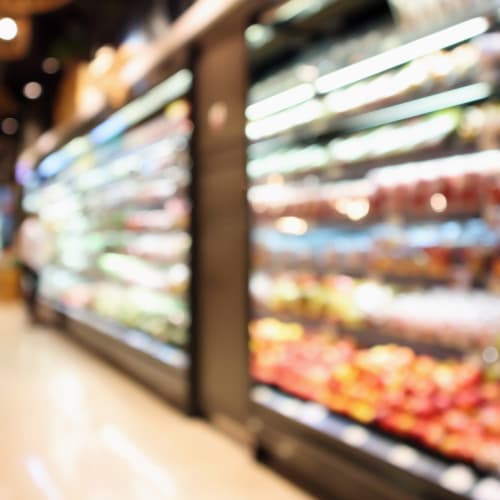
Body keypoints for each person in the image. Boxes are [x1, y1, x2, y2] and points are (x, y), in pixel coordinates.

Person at [17, 214, 51, 323]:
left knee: (31, 289)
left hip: (31, 263)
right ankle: (32, 313)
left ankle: (32, 313)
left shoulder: (28, 227)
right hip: (32, 263)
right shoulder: (30, 228)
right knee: (32, 289)